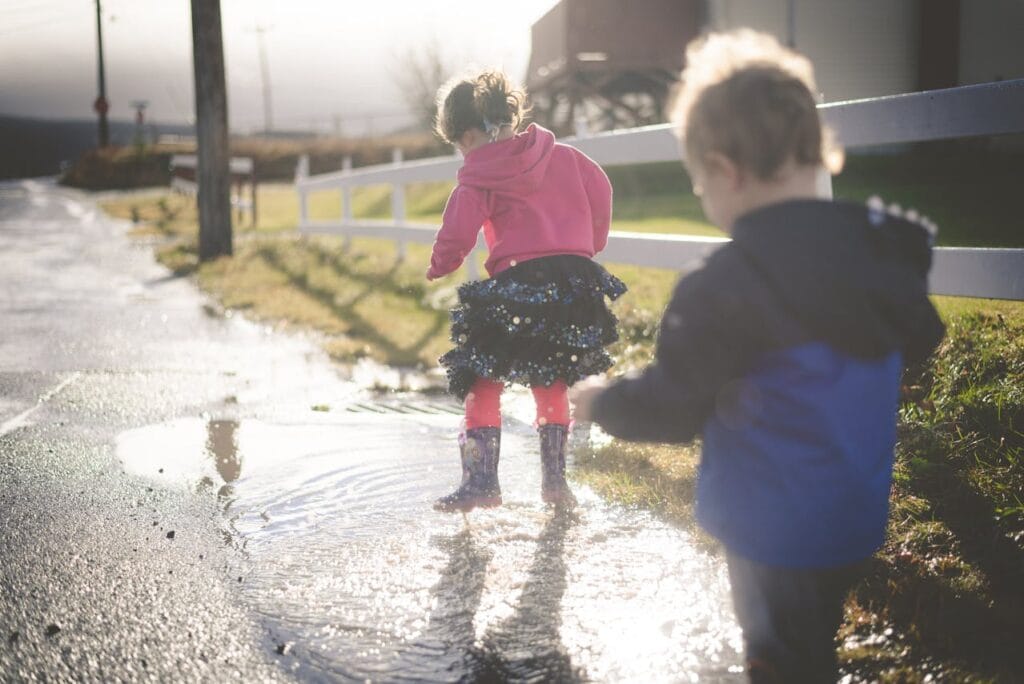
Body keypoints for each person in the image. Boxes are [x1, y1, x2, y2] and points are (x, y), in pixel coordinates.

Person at [570, 30, 945, 682]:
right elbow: (922, 341)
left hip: (774, 529)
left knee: (779, 655)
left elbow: (672, 404)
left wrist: (602, 401)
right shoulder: (881, 252)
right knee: (811, 635)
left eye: (695, 182)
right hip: (856, 514)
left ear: (724, 169)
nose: (700, 196)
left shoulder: (727, 282)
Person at [427, 70, 626, 513]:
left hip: (518, 281)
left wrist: (440, 265)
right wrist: (587, 245)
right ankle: (556, 485)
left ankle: (482, 483)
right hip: (573, 282)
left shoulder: (480, 173)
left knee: (481, 379)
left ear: (472, 133)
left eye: (461, 143)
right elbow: (602, 192)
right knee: (551, 377)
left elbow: (458, 232)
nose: (464, 153)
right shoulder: (568, 157)